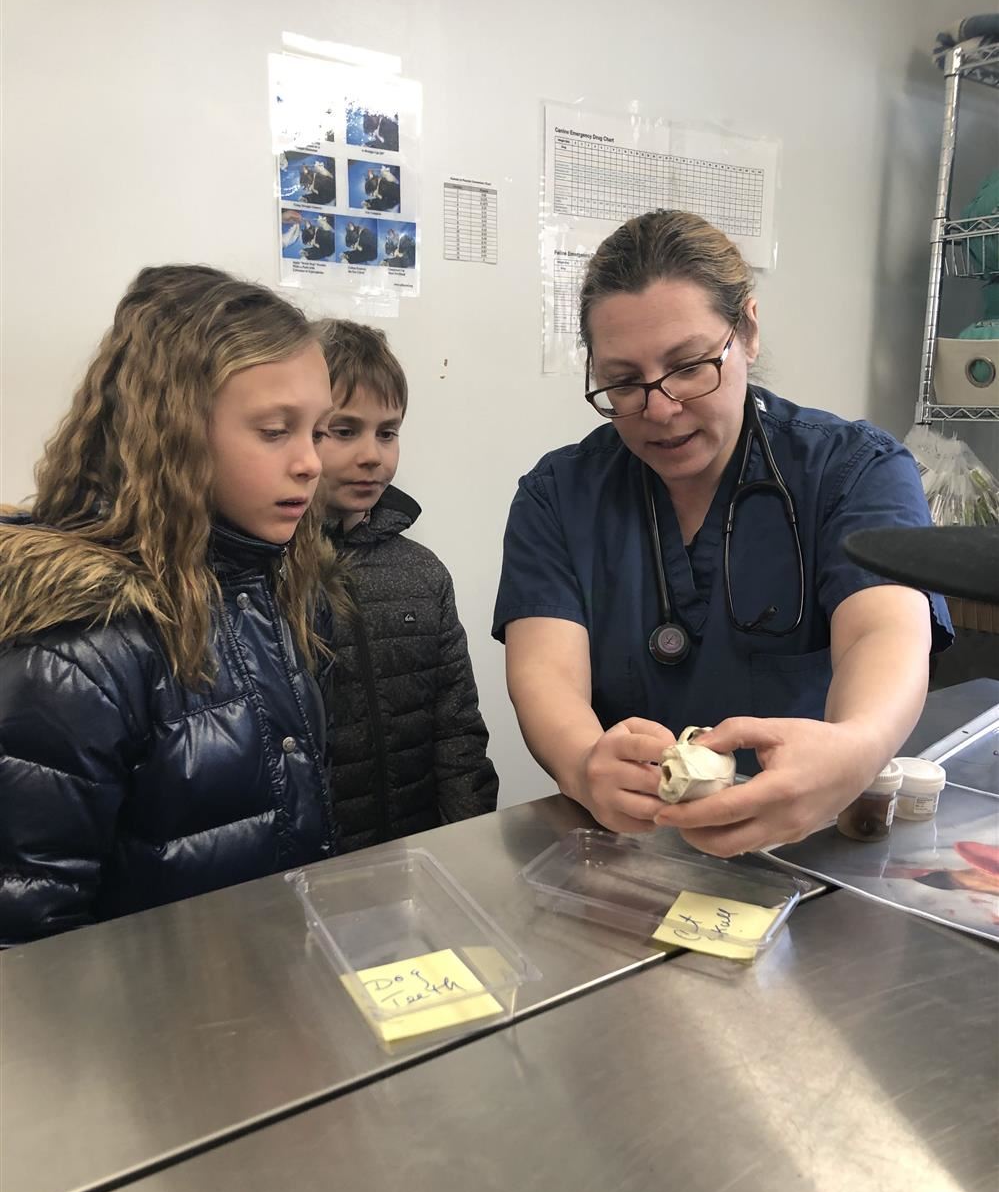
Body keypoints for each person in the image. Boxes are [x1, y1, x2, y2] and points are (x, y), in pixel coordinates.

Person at [493, 210, 953, 857]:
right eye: (623, 382)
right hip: (632, 850)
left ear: (747, 332)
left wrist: (855, 748)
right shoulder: (559, 495)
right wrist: (583, 765)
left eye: (688, 366)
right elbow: (543, 675)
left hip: (812, 839)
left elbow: (886, 630)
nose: (660, 409)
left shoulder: (852, 472)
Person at [0, 264, 341, 943]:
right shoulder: (78, 647)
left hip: (263, 1000)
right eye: (275, 431)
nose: (311, 462)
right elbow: (24, 933)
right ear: (173, 435)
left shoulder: (265, 588)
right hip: (151, 1034)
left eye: (317, 431)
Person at [315, 319, 498, 852]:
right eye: (345, 431)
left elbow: (458, 731)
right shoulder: (264, 580)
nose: (373, 455)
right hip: (311, 875)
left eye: (387, 432)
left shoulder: (421, 574)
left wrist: (468, 845)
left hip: (419, 859)